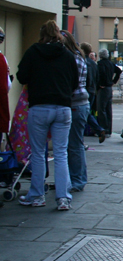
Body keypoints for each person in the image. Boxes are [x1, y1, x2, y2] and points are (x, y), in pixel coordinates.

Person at [17, 21, 78, 210]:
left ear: (42, 34)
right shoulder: (67, 55)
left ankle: (36, 195)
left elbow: (21, 76)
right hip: (62, 107)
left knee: (38, 153)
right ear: (59, 35)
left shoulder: (33, 52)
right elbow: (75, 81)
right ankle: (63, 198)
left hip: (39, 107)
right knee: (61, 153)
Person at [61, 31, 90, 194]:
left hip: (75, 103)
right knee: (74, 143)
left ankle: (77, 180)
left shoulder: (72, 58)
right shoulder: (79, 56)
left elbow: (71, 82)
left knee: (74, 144)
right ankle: (76, 178)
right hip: (80, 102)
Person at [79, 43, 104, 141]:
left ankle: (97, 129)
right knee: (86, 112)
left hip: (85, 89)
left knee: (83, 112)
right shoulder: (94, 64)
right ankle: (98, 129)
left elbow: (86, 77)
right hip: (92, 90)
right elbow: (97, 78)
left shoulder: (83, 61)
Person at [96, 48, 121, 140]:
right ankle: (108, 130)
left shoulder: (100, 64)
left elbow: (101, 74)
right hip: (109, 88)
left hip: (103, 88)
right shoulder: (111, 64)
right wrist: (113, 81)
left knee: (101, 109)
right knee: (108, 109)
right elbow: (118, 71)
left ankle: (103, 129)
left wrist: (100, 84)